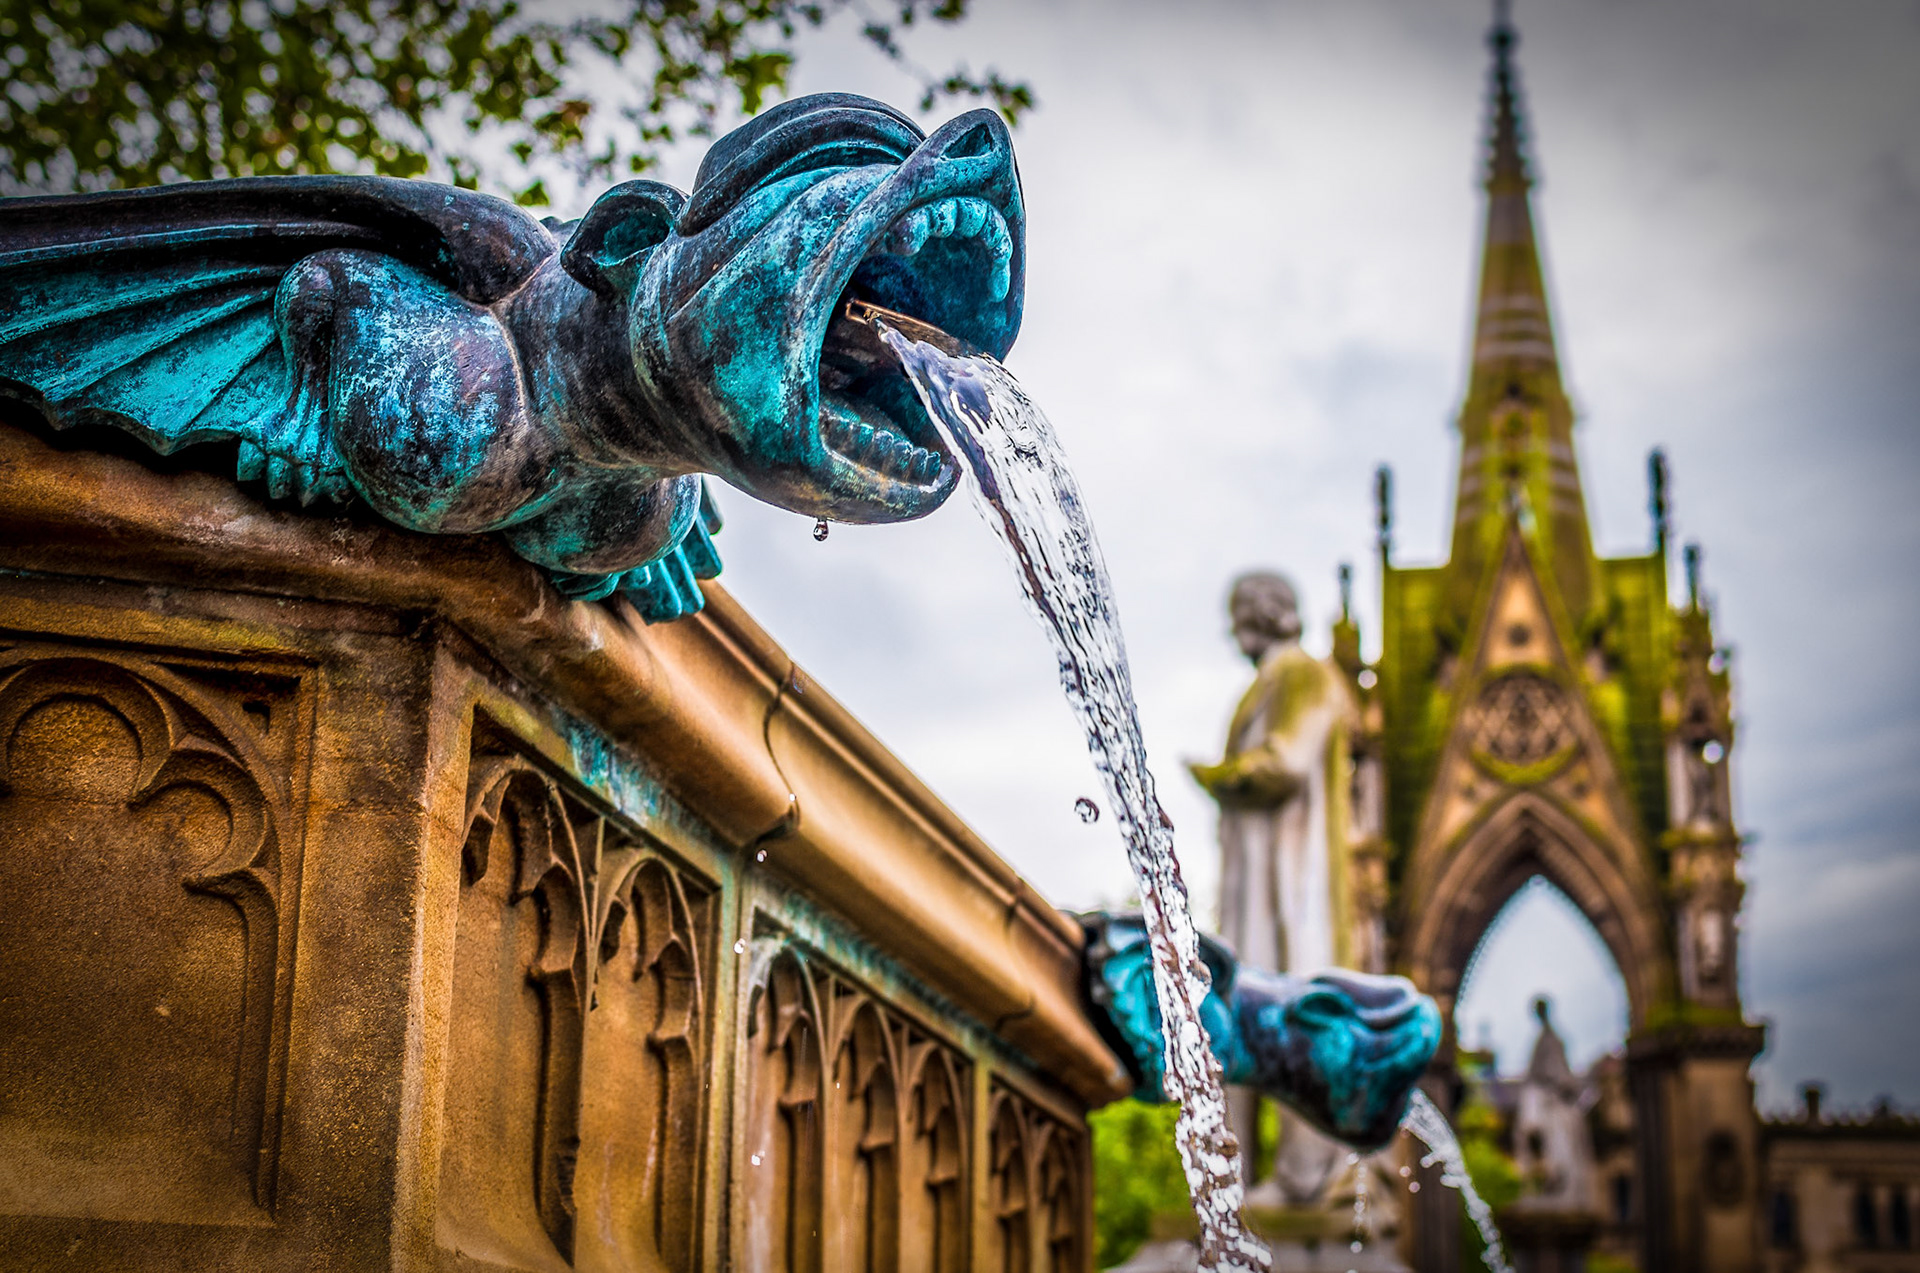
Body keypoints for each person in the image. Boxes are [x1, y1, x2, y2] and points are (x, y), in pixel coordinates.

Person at [1190, 570, 1356, 1206]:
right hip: (1255, 877)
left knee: (1287, 1005)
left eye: (1239, 613)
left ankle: (1306, 1177)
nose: (1232, 629)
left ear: (1266, 614)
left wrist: (1222, 776)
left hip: (1292, 882)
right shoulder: (1265, 683)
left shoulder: (1304, 673)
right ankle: (1231, 1182)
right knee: (1241, 1009)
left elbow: (1288, 760)